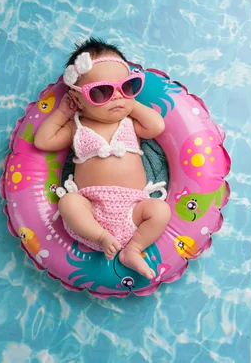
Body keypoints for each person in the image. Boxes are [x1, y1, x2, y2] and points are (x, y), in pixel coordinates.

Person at [34, 37, 171, 280]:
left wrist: (132, 105)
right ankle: (100, 236)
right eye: (101, 92)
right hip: (91, 208)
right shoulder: (77, 127)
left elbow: (157, 126)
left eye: (126, 87)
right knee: (68, 203)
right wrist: (63, 112)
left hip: (134, 208)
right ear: (77, 99)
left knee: (160, 210)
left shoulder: (129, 123)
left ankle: (133, 249)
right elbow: (42, 141)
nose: (117, 97)